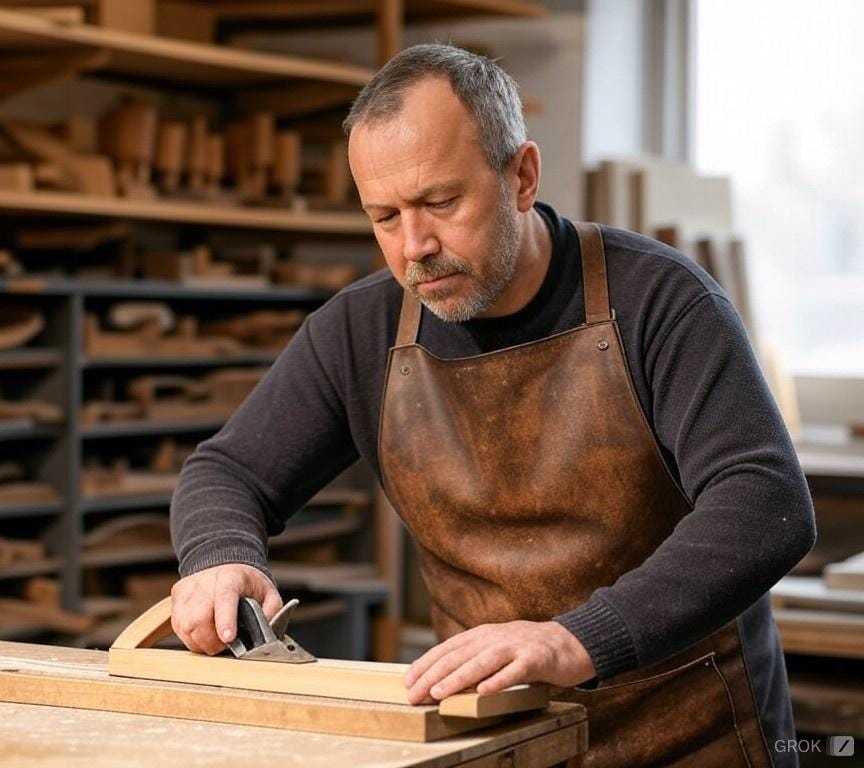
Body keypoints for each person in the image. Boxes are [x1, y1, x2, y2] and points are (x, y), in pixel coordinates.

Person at [169, 43, 815, 766]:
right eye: (384, 217)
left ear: (522, 176)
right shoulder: (362, 331)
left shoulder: (659, 300)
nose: (415, 247)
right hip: (496, 740)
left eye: (440, 202)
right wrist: (218, 556)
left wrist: (576, 639)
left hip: (690, 733)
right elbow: (229, 473)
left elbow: (765, 502)